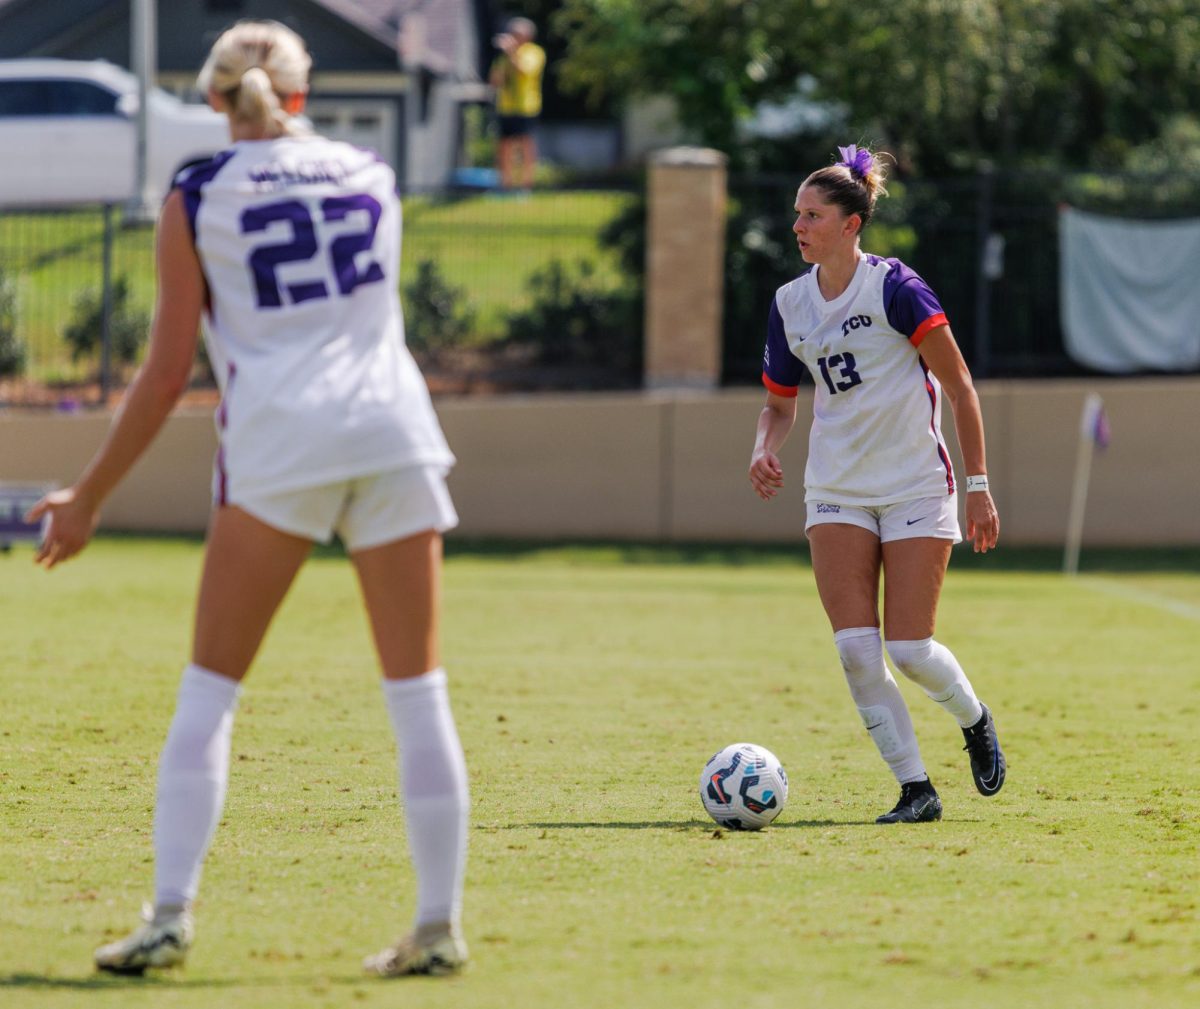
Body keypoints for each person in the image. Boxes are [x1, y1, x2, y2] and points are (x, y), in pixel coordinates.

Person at [27, 21, 470, 977]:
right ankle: (438, 926)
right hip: (393, 427)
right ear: (301, 92)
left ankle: (171, 913)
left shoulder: (196, 192)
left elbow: (164, 372)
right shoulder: (369, 169)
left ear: (215, 100)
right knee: (418, 693)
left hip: (280, 441)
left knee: (210, 690)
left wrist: (88, 496)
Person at [748, 144, 1006, 824]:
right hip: (836, 487)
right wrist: (763, 448)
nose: (798, 226)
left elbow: (959, 385)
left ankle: (974, 718)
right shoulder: (789, 302)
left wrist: (978, 484)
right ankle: (915, 788)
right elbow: (779, 403)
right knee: (856, 652)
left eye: (812, 215)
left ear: (850, 224)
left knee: (909, 648)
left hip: (916, 483)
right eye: (796, 214)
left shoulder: (896, 287)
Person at [488, 17, 545, 191]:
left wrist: (512, 52)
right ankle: (505, 185)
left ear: (527, 36)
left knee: (525, 146)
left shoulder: (534, 52)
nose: (512, 37)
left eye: (515, 34)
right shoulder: (505, 56)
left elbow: (523, 71)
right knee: (504, 146)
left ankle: (526, 185)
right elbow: (494, 81)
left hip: (526, 107)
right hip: (506, 106)